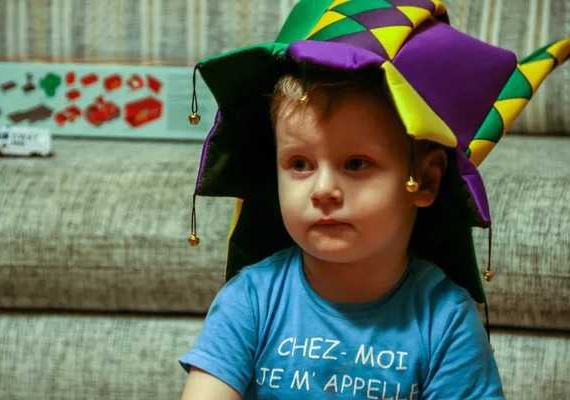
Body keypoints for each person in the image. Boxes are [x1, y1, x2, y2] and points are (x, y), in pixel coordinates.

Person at [179, 1, 570, 398]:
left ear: (426, 179)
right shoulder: (251, 300)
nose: (322, 189)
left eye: (355, 163)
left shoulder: (444, 320)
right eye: (300, 163)